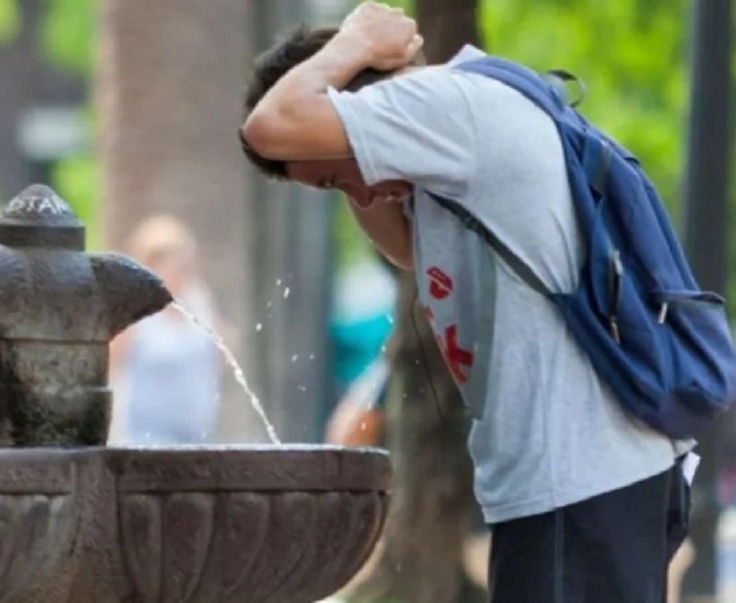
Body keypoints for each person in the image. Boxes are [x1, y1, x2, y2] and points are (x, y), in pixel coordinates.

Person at [240, 3, 691, 600]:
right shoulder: (442, 144)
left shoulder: (445, 108)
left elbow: (268, 127)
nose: (354, 192)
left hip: (578, 485)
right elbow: (403, 248)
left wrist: (353, 46)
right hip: (581, 485)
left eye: (336, 176)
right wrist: (352, 154)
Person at [110, 215, 223, 445]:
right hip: (147, 437)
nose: (184, 273)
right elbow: (111, 360)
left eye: (187, 265)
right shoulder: (138, 311)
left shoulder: (198, 300)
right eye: (176, 266)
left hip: (198, 435)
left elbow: (220, 350)